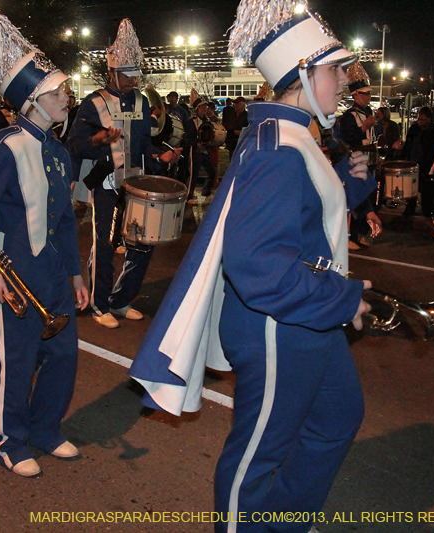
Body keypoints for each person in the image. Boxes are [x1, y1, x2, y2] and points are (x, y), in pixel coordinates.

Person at [129, 4, 376, 532]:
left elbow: (302, 217)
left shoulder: (292, 135)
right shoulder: (277, 147)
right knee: (258, 452)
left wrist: (351, 186)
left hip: (303, 314)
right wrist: (342, 298)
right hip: (277, 324)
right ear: (303, 76)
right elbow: (257, 263)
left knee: (337, 417)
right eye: (334, 70)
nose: (343, 80)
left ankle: (283, 520)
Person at [0, 12, 89, 478]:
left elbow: (65, 220)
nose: (67, 98)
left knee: (64, 355)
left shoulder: (58, 150)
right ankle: (9, 440)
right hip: (16, 272)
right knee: (19, 359)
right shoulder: (4, 146)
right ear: (32, 101)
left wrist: (75, 273)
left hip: (52, 272)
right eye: (57, 92)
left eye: (64, 90)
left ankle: (46, 430)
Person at [67, 19, 180, 329]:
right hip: (104, 183)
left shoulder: (143, 104)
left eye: (135, 75)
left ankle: (121, 300)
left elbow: (145, 146)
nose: (132, 81)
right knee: (104, 244)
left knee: (142, 244)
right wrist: (97, 141)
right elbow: (74, 144)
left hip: (136, 184)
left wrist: (162, 157)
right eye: (127, 75)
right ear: (112, 72)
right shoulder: (92, 104)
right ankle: (99, 303)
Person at [339, 62, 383, 248]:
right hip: (357, 159)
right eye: (366, 93)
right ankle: (351, 235)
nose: (369, 96)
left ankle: (363, 232)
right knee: (357, 196)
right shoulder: (349, 116)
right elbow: (348, 138)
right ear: (356, 95)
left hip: (370, 158)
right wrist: (364, 127)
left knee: (371, 197)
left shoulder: (369, 113)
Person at [400, 106, 434, 219]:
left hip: (427, 166)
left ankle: (428, 212)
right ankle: (409, 211)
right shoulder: (414, 129)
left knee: (427, 192)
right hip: (413, 164)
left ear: (429, 119)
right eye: (419, 119)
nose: (420, 122)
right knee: (411, 191)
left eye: (423, 120)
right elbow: (408, 146)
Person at [183, 93, 218, 205]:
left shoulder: (206, 121)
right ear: (197, 109)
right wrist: (195, 143)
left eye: (205, 107)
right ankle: (188, 196)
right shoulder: (191, 122)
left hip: (204, 151)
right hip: (195, 151)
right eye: (202, 107)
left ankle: (206, 192)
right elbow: (187, 138)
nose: (204, 109)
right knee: (193, 174)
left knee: (212, 171)